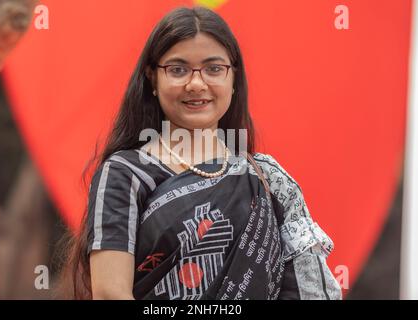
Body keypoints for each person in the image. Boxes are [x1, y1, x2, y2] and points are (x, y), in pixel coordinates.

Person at [60, 6, 342, 300]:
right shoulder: (125, 174)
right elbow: (110, 294)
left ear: (234, 79)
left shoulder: (268, 181)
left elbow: (309, 290)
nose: (196, 83)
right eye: (177, 69)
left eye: (214, 68)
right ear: (152, 79)